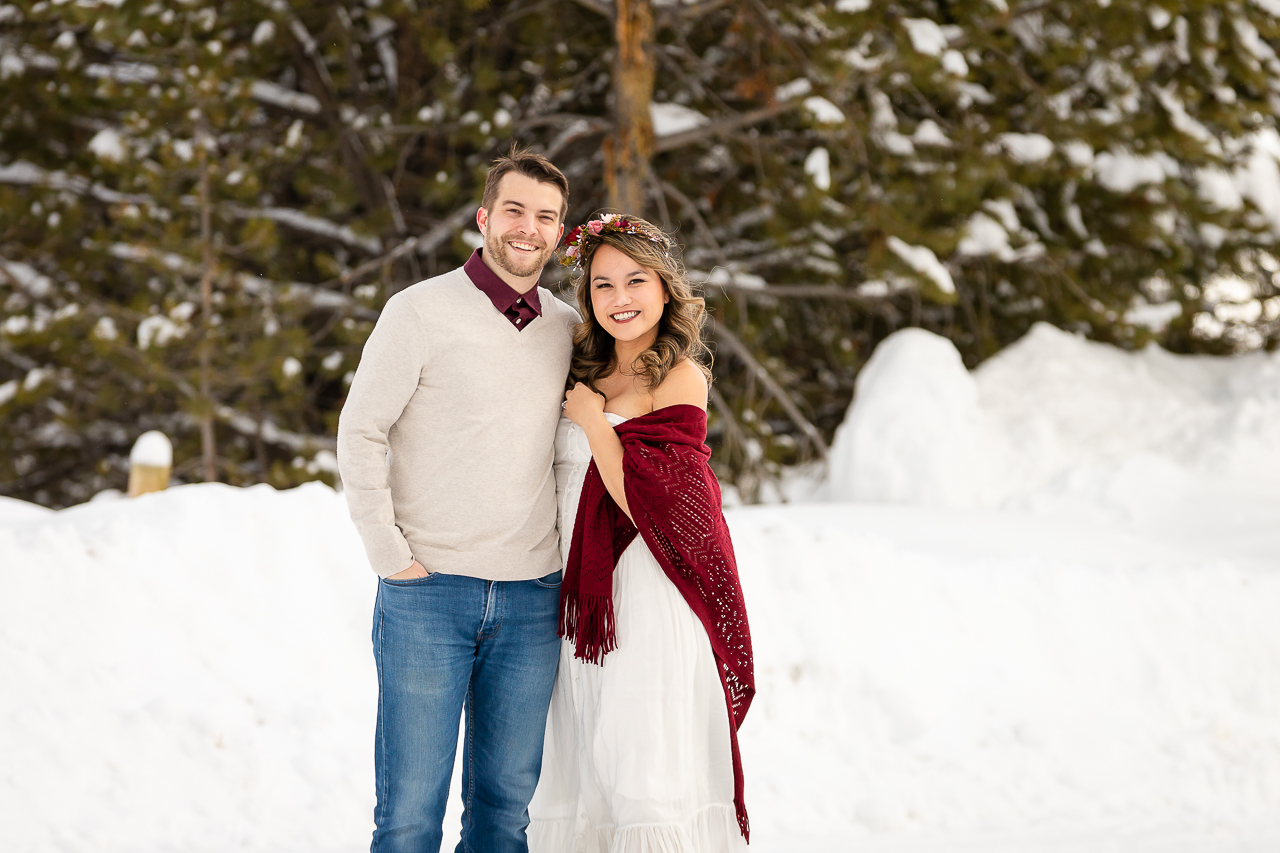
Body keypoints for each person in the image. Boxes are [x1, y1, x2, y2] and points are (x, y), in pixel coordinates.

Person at [336, 147, 579, 853]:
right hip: (428, 592)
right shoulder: (418, 312)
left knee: (504, 812)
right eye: (514, 209)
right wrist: (389, 552)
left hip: (533, 596)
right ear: (483, 217)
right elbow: (361, 430)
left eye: (545, 216)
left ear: (558, 232)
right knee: (410, 814)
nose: (527, 228)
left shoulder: (566, 329)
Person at [527, 214, 755, 852]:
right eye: (603, 285)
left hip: (646, 590)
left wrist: (598, 425)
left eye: (635, 281)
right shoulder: (576, 369)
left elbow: (652, 505)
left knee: (640, 757)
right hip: (579, 593)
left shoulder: (680, 376)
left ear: (664, 289)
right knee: (580, 759)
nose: (620, 299)